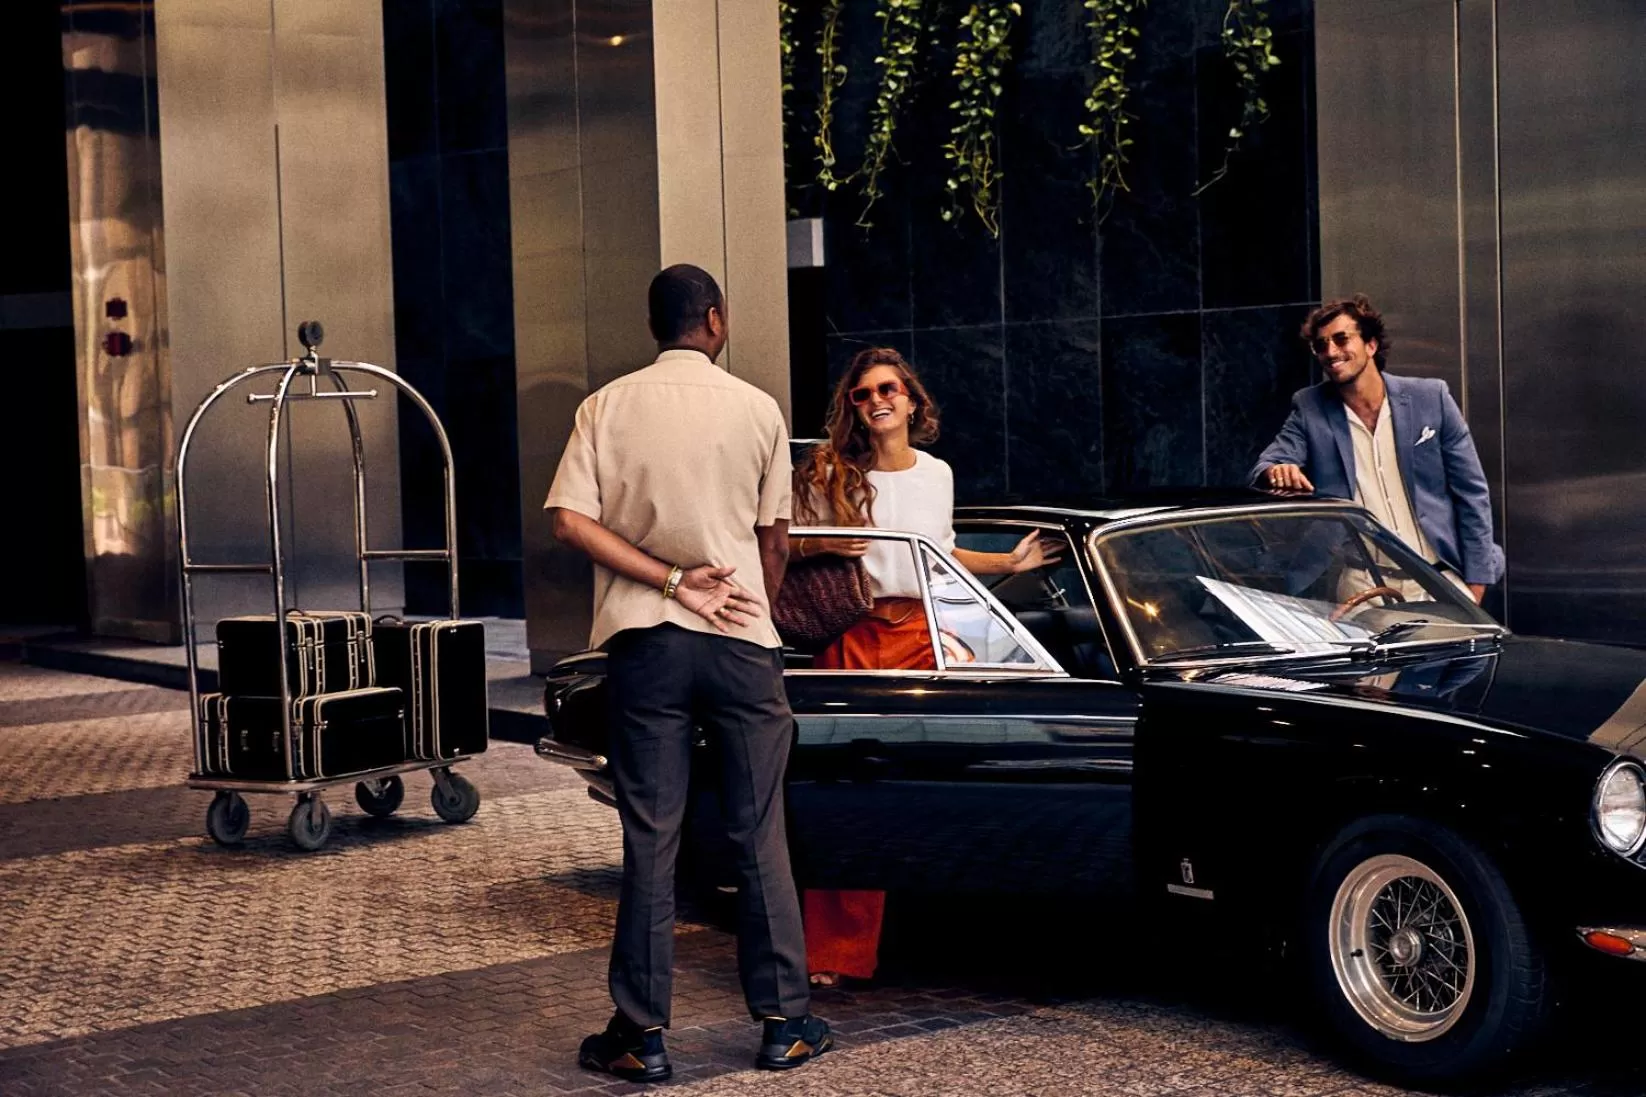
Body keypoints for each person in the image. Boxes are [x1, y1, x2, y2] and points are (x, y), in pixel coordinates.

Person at [545, 264, 831, 1082]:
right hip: (743, 642)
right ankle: (785, 1024)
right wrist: (751, 610)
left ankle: (641, 1035)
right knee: (758, 832)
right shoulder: (758, 408)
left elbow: (569, 519)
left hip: (647, 644)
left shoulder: (604, 406)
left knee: (652, 838)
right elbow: (774, 538)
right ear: (714, 318)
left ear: (655, 324)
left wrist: (668, 583)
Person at [790, 346, 1062, 986]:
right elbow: (781, 544)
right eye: (863, 394)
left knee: (925, 783)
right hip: (853, 632)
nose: (877, 400)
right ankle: (832, 954)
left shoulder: (937, 473)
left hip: (920, 634)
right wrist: (828, 541)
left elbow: (937, 555)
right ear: (852, 407)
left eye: (889, 389)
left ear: (912, 400)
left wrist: (1009, 565)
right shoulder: (832, 472)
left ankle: (928, 931)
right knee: (846, 794)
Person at [1248, 294, 1503, 603]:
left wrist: (1475, 585)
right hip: (1361, 586)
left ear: (1370, 345)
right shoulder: (1310, 407)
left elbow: (1471, 493)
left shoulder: (1430, 397)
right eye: (1321, 345)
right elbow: (1265, 466)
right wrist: (1276, 470)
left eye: (1342, 339)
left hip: (1438, 580)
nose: (1331, 352)